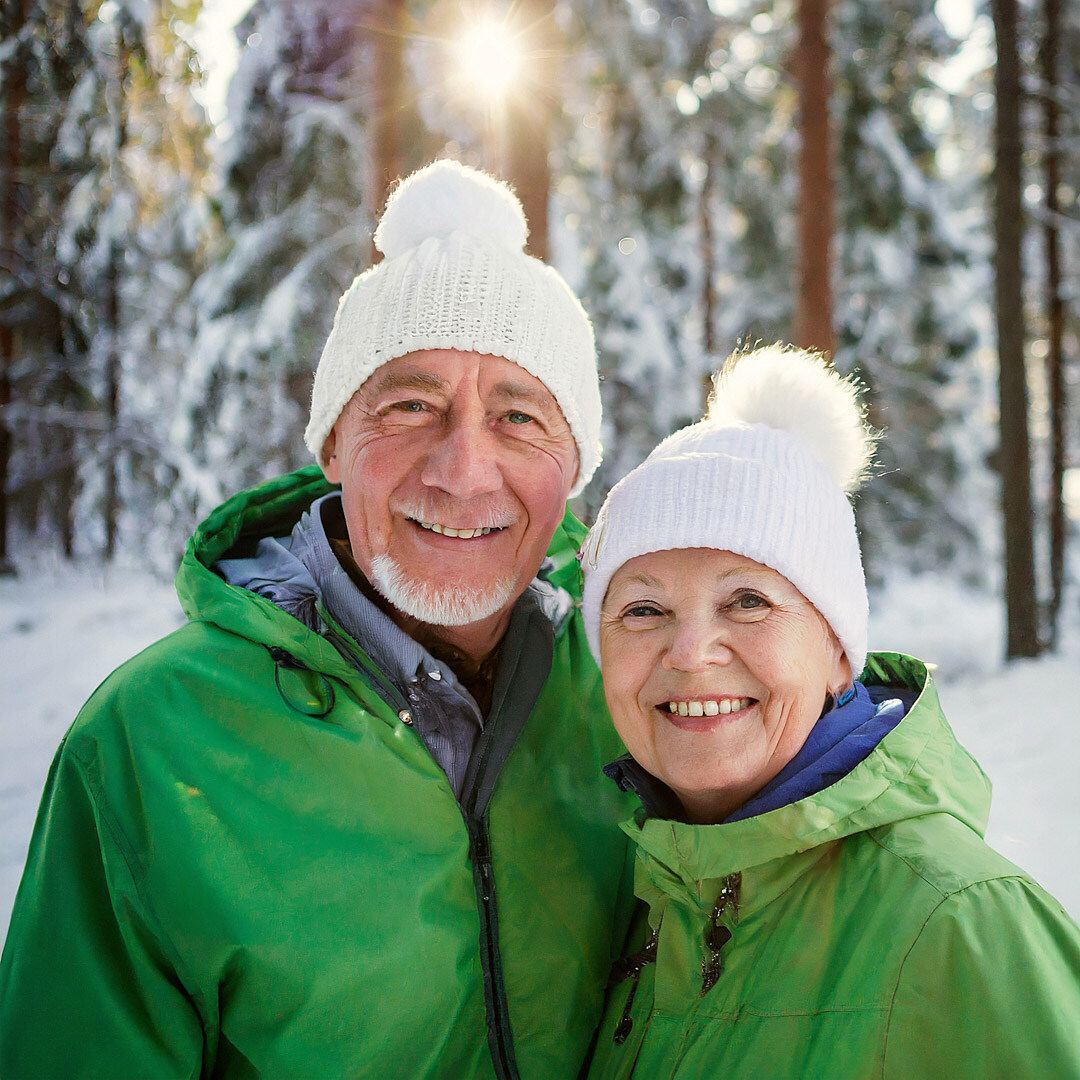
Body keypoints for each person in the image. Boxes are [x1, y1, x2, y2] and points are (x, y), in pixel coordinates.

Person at [0, 161, 637, 1079]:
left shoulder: (638, 692)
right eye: (411, 405)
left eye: (519, 416)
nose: (462, 470)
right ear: (334, 440)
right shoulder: (153, 742)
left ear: (572, 466)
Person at [578, 345, 1080, 1080]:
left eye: (747, 601)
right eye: (644, 608)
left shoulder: (965, 924)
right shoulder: (647, 900)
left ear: (840, 652)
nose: (690, 653)